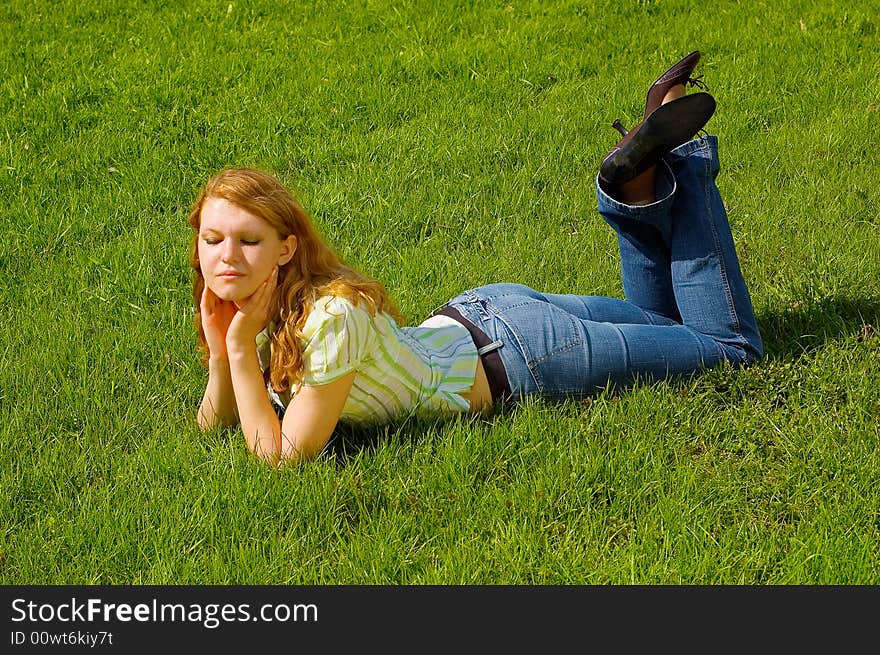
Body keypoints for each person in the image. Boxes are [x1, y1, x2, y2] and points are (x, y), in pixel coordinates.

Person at [190, 51, 763, 465]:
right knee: (673, 332)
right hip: (488, 314)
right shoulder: (281, 301)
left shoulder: (329, 318)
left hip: (525, 356)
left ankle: (682, 155)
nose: (227, 257)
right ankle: (634, 178)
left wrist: (240, 349)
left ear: (286, 248)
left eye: (248, 240)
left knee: (729, 351)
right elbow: (217, 421)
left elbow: (285, 456)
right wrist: (222, 351)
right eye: (213, 240)